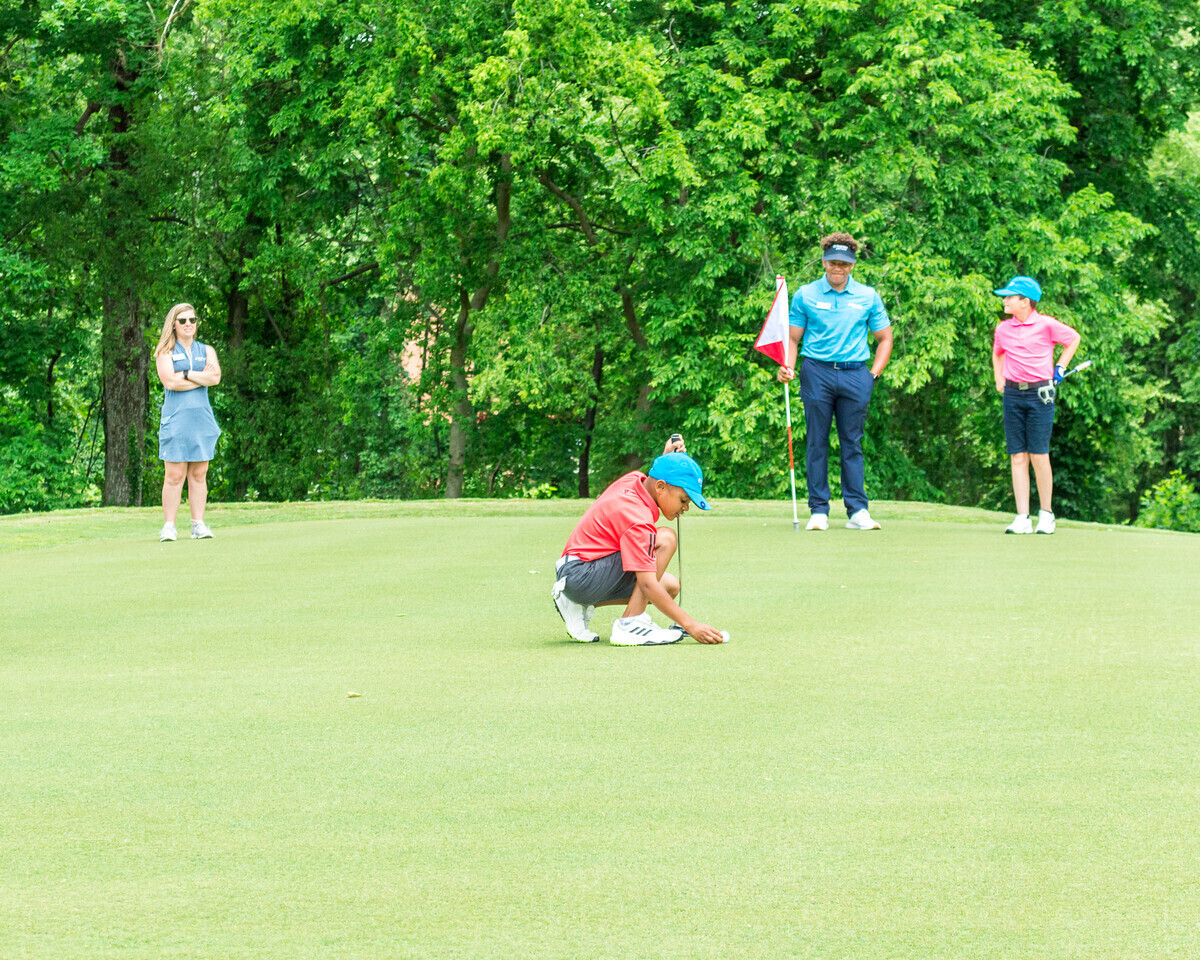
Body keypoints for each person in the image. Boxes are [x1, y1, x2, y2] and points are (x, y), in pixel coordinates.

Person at [551, 437, 726, 646]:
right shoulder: (637, 518)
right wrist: (691, 625)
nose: (685, 508)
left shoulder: (635, 480)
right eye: (683, 500)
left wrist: (667, 456)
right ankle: (630, 625)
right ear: (661, 487)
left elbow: (657, 479)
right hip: (581, 573)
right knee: (666, 539)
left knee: (669, 586)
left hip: (578, 574)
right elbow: (646, 584)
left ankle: (577, 603)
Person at [777, 232, 893, 530]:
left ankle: (857, 511)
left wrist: (873, 375)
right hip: (817, 372)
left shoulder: (867, 296)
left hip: (856, 374)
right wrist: (787, 366)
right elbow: (792, 337)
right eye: (832, 262)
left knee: (851, 443)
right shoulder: (806, 294)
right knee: (816, 442)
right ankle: (819, 510)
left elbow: (884, 339)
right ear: (824, 262)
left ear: (852, 265)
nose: (837, 268)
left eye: (844, 263)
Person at [991, 276, 1080, 535]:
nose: (1005, 300)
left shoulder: (1046, 325)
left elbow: (1073, 339)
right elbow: (998, 354)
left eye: (1010, 297)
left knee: (1039, 455)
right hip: (1012, 395)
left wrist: (1060, 366)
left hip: (1040, 394)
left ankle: (1046, 514)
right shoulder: (1003, 329)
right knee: (1018, 455)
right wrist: (999, 377)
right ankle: (1022, 517)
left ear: (1025, 302)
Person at [153, 303, 222, 541]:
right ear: (174, 324)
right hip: (176, 419)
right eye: (183, 321)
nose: (188, 325)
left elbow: (215, 378)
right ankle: (169, 526)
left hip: (201, 418)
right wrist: (198, 377)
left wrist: (185, 373)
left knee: (199, 474)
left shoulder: (207, 350)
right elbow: (170, 382)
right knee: (174, 475)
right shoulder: (165, 352)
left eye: (192, 320)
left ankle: (198, 524)